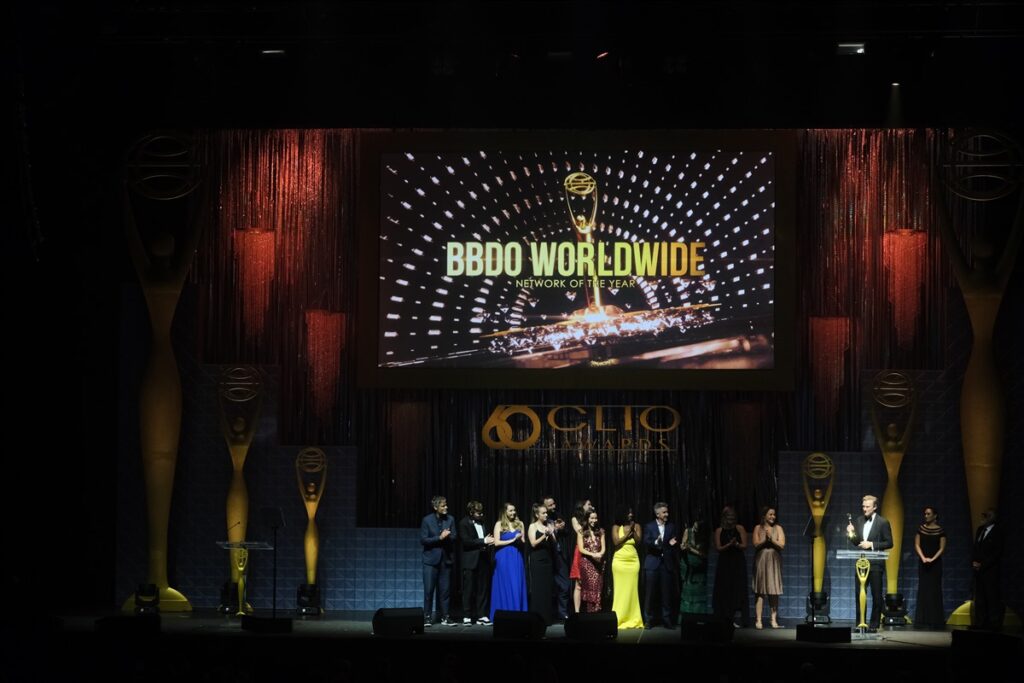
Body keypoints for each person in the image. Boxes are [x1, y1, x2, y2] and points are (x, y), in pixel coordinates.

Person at [845, 494, 893, 630]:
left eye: (867, 506)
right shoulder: (859, 520)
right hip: (861, 563)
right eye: (863, 506)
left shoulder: (883, 522)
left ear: (875, 507)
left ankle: (873, 625)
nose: (864, 509)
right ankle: (860, 624)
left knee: (876, 596)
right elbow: (857, 542)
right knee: (859, 594)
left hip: (876, 564)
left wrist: (871, 544)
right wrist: (851, 533)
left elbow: (889, 543)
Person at [420, 495, 457, 626]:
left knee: (445, 591)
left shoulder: (450, 519)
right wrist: (439, 538)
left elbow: (454, 536)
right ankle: (427, 617)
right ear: (436, 507)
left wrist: (447, 536)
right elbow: (423, 540)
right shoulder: (427, 520)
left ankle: (445, 617)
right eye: (443, 505)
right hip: (430, 561)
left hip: (445, 560)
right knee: (429, 591)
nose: (446, 507)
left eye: (446, 505)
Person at [643, 502, 679, 629]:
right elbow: (646, 541)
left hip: (666, 564)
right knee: (650, 594)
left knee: (666, 594)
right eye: (664, 512)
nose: (667, 514)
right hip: (653, 564)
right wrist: (656, 542)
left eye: (667, 512)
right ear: (657, 514)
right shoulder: (649, 526)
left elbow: (673, 541)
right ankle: (648, 620)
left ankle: (667, 620)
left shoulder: (671, 526)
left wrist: (672, 543)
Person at [458, 500, 495, 625]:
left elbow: (485, 538)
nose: (481, 515)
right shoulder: (464, 523)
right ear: (471, 512)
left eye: (481, 512)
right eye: (478, 513)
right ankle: (467, 615)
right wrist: (483, 541)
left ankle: (481, 615)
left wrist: (488, 542)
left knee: (482, 588)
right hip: (470, 560)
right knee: (468, 589)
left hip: (483, 559)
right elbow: (466, 542)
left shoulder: (483, 522)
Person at [712, 505, 749, 628]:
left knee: (738, 589)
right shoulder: (719, 530)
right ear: (724, 517)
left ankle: (740, 619)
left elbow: (744, 545)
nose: (731, 519)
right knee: (724, 589)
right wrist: (729, 544)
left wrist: (736, 544)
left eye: (733, 517)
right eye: (729, 517)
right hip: (724, 562)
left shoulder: (740, 528)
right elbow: (718, 548)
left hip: (738, 562)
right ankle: (724, 618)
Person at [490, 503, 527, 620]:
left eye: (514, 510)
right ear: (504, 512)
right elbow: (496, 543)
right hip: (503, 557)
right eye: (510, 511)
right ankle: (503, 615)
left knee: (516, 585)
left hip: (516, 557)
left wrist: (519, 539)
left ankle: (516, 613)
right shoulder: (499, 524)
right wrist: (512, 540)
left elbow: (523, 541)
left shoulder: (520, 524)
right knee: (504, 585)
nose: (513, 513)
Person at [752, 506, 785, 629]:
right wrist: (764, 540)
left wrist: (771, 539)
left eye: (774, 514)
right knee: (760, 590)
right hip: (761, 560)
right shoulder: (757, 528)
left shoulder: (778, 528)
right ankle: (758, 620)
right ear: (764, 515)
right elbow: (755, 544)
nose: (773, 517)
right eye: (770, 514)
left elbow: (782, 545)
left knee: (773, 589)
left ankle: (773, 619)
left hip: (774, 560)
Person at [971, 508, 1004, 631]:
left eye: (986, 516)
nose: (983, 518)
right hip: (978, 571)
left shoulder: (998, 532)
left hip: (991, 571)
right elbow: (976, 548)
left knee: (992, 597)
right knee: (980, 598)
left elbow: (997, 552)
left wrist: (983, 564)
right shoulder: (980, 530)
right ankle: (980, 623)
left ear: (992, 518)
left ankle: (994, 624)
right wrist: (974, 562)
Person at [913, 506, 946, 629]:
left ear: (935, 515)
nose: (926, 516)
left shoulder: (940, 530)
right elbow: (917, 544)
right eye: (925, 514)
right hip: (923, 563)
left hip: (935, 564)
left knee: (934, 590)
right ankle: (922, 620)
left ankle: (935, 621)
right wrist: (923, 557)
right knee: (923, 590)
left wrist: (933, 559)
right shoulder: (921, 529)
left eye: (928, 514)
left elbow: (942, 548)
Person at [611, 505, 644, 628]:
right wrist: (627, 535)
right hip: (619, 561)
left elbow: (638, 542)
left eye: (631, 512)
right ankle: (618, 618)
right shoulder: (616, 527)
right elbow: (616, 542)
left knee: (632, 591)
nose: (631, 514)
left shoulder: (637, 526)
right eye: (628, 512)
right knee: (620, 591)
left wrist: (633, 530)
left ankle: (634, 618)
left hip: (633, 562)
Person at [542, 495, 571, 620]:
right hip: (546, 556)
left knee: (565, 584)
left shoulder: (558, 516)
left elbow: (567, 533)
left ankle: (562, 612)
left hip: (559, 555)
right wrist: (554, 530)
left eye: (554, 504)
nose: (553, 506)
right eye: (550, 505)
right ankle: (547, 612)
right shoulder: (541, 520)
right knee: (547, 585)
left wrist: (561, 528)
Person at [527, 502, 556, 624]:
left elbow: (554, 543)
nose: (546, 515)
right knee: (538, 589)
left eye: (546, 513)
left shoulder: (548, 525)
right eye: (543, 513)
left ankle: (546, 618)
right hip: (537, 560)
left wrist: (552, 533)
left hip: (548, 560)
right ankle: (536, 618)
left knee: (547, 589)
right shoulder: (532, 526)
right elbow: (533, 543)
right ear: (537, 514)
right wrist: (544, 535)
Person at [577, 509, 606, 613]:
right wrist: (593, 554)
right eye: (592, 518)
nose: (594, 520)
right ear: (587, 519)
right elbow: (581, 549)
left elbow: (603, 548)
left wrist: (600, 554)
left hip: (598, 563)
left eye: (595, 518)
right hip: (587, 563)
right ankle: (590, 613)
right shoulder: (581, 531)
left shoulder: (601, 531)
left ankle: (596, 612)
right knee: (590, 587)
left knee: (598, 588)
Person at [679, 518, 708, 616]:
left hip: (699, 567)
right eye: (694, 527)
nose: (694, 530)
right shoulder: (688, 531)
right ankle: (686, 615)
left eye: (697, 528)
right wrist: (683, 546)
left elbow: (704, 554)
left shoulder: (705, 536)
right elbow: (683, 545)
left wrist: (691, 549)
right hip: (688, 566)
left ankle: (698, 615)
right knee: (687, 591)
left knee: (698, 591)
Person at [570, 499, 594, 613]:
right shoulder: (575, 519)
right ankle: (577, 612)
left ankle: (591, 610)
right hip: (580, 550)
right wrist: (586, 519)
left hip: (592, 549)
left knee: (591, 582)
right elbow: (579, 531)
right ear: (582, 505)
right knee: (579, 583)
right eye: (589, 504)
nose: (591, 506)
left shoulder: (592, 517)